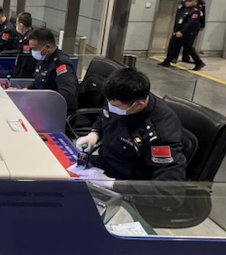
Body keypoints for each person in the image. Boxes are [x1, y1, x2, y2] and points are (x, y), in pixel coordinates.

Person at [76, 68, 187, 198]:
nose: (111, 108)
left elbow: (169, 193)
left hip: (129, 186)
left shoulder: (161, 131)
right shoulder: (118, 97)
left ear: (139, 105)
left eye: (116, 107)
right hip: (103, 164)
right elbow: (104, 117)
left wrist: (111, 184)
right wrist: (94, 134)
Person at [22, 28, 79, 114]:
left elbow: (67, 96)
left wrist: (40, 99)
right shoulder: (45, 59)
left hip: (56, 113)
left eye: (35, 49)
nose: (33, 52)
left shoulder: (61, 65)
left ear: (47, 47)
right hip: (42, 107)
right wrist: (25, 90)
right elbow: (39, 81)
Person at [160, 0, 205, 71]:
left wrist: (181, 32)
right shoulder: (184, 9)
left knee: (188, 48)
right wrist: (176, 30)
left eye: (190, 1)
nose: (187, 3)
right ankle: (167, 61)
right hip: (178, 30)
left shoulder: (195, 11)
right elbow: (179, 20)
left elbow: (190, 23)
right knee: (172, 45)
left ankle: (199, 62)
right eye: (187, 1)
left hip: (188, 33)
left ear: (194, 2)